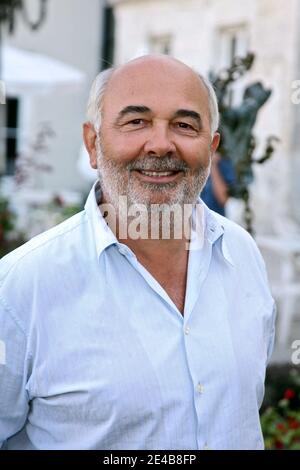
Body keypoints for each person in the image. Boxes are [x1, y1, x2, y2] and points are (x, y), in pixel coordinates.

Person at [0, 55, 275, 450]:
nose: (161, 144)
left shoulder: (243, 256)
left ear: (211, 147)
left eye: (184, 125)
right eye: (136, 122)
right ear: (93, 145)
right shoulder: (20, 289)